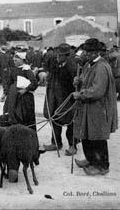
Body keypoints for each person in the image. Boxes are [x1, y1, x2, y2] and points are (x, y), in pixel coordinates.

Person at [73, 38, 117, 176]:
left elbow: (97, 90)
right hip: (88, 108)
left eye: (89, 51)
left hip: (98, 108)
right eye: (85, 51)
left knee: (97, 137)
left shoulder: (102, 67)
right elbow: (86, 81)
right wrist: (79, 81)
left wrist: (81, 94)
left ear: (96, 52)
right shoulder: (88, 65)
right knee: (87, 134)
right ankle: (91, 160)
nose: (85, 54)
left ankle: (102, 166)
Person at [43, 43, 79, 155]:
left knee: (70, 123)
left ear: (66, 56)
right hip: (54, 99)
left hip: (67, 101)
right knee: (54, 121)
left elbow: (75, 86)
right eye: (57, 55)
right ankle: (56, 143)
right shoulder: (55, 65)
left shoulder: (72, 67)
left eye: (60, 55)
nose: (57, 57)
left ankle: (73, 145)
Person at [1, 51, 38, 130]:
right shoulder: (14, 70)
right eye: (14, 61)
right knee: (11, 113)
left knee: (23, 115)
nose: (14, 62)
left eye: (16, 60)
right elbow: (9, 82)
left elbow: (34, 83)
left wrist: (25, 90)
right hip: (13, 96)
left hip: (24, 98)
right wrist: (4, 94)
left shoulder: (27, 70)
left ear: (22, 60)